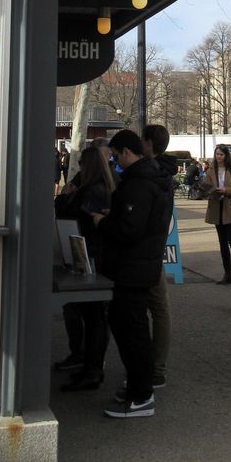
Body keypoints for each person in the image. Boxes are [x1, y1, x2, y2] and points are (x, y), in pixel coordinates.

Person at [91, 129, 172, 419]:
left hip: (133, 267)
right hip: (141, 265)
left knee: (132, 331)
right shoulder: (150, 179)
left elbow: (130, 229)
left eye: (115, 156)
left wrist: (102, 222)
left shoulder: (139, 183)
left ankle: (141, 396)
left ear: (127, 151)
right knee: (129, 327)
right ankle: (140, 387)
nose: (114, 162)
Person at [53, 145, 114, 390]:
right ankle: (90, 365)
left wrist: (66, 194)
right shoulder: (106, 187)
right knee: (94, 315)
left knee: (92, 315)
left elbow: (66, 210)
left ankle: (91, 367)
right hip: (94, 253)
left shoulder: (90, 190)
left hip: (89, 254)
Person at [140, 123, 176, 389]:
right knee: (158, 307)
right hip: (155, 246)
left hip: (147, 250)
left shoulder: (151, 175)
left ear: (149, 143)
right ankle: (155, 366)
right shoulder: (164, 173)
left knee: (157, 307)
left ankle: (155, 368)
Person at [203, 144, 231, 288]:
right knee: (222, 243)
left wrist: (226, 190)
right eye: (217, 154)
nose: (219, 157)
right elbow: (206, 186)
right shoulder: (211, 169)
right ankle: (227, 273)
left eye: (221, 154)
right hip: (216, 207)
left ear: (226, 155)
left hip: (230, 209)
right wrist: (208, 190)